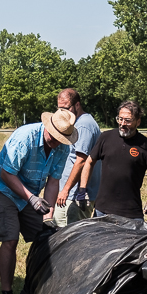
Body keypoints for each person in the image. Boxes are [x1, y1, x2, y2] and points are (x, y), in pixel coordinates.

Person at [0, 108, 78, 294]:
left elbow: (53, 182)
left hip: (30, 191)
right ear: (47, 127)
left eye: (61, 139)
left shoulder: (62, 147)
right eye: (54, 137)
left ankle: (31, 290)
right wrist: (32, 199)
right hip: (2, 187)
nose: (56, 142)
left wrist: (49, 216)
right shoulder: (25, 137)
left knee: (45, 237)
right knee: (10, 238)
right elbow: (7, 174)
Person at [78, 100, 147, 219]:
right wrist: (82, 189)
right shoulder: (106, 137)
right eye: (120, 119)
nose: (122, 123)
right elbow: (89, 161)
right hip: (102, 210)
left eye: (128, 120)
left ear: (138, 122)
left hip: (131, 212)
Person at [52, 88, 101, 227]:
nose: (63, 113)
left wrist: (66, 190)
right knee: (60, 230)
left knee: (71, 234)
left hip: (76, 195)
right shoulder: (74, 123)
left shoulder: (84, 125)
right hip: (68, 193)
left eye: (66, 108)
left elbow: (81, 161)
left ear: (77, 105)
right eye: (59, 109)